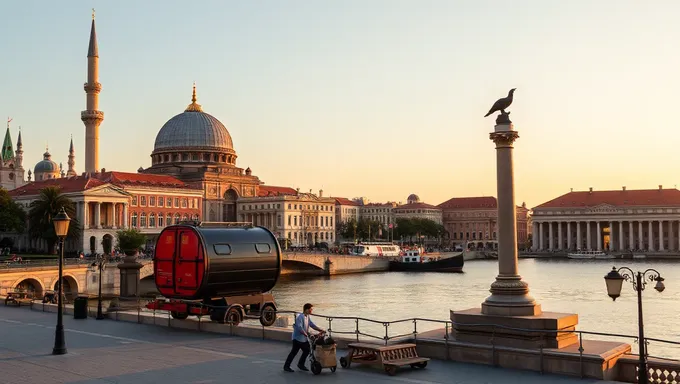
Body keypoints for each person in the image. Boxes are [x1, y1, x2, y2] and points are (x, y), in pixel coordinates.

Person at [283, 303, 324, 372]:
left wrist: (320, 330)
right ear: (306, 310)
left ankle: (300, 364)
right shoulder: (300, 317)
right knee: (294, 352)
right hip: (297, 338)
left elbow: (311, 324)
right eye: (311, 309)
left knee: (307, 350)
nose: (311, 311)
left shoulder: (307, 316)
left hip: (303, 339)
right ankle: (286, 366)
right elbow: (300, 328)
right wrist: (306, 334)